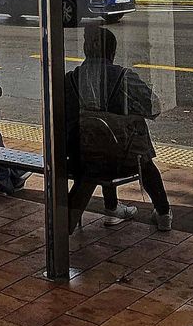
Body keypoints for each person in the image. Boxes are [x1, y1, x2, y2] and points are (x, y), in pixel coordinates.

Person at [64, 26, 173, 232]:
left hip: (83, 160)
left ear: (86, 50)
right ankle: (163, 213)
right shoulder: (124, 77)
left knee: (97, 146)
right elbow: (154, 107)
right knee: (141, 157)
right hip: (124, 160)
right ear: (112, 53)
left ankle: (111, 207)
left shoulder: (70, 79)